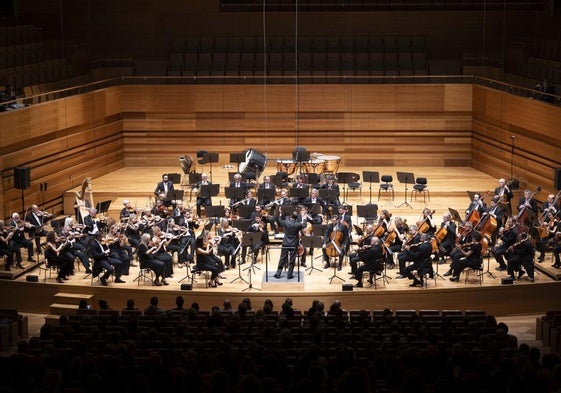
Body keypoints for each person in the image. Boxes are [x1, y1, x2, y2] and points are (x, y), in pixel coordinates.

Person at [274, 209, 310, 279]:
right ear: (296, 218)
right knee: (292, 260)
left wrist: (280, 214)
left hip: (285, 243)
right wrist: (304, 218)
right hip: (294, 244)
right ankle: (289, 275)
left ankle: (278, 273)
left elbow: (279, 222)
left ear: (291, 217)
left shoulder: (286, 222)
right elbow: (304, 225)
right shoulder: (298, 224)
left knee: (282, 258)